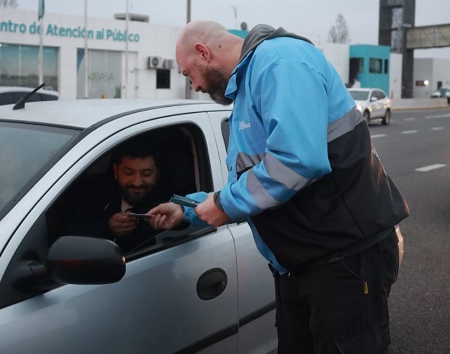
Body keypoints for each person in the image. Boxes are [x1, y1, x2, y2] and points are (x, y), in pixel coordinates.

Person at [149, 20, 409, 354]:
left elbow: (297, 160)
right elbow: (251, 187)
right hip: (302, 263)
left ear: (203, 52)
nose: (194, 86)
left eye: (189, 74)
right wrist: (189, 211)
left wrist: (225, 204)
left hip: (343, 258)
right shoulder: (248, 87)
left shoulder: (278, 60)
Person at [99, 138, 170, 252]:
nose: (137, 182)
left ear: (157, 173)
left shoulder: (164, 211)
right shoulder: (96, 198)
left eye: (146, 174)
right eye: (129, 173)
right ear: (116, 171)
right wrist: (107, 228)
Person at [0, 143, 36, 210]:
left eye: (8, 161)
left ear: (25, 167)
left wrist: (8, 203)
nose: (0, 168)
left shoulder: (35, 197)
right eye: (0, 161)